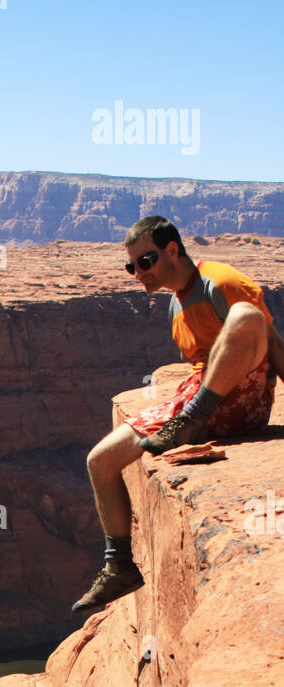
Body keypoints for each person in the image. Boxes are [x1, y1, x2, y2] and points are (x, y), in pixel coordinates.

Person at [72, 215, 284, 615]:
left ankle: (193, 419)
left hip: (242, 397)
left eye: (145, 261)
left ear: (173, 250)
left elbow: (268, 340)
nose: (138, 274)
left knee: (245, 316)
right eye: (131, 266)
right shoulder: (174, 303)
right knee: (99, 461)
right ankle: (118, 564)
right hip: (195, 398)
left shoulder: (220, 282)